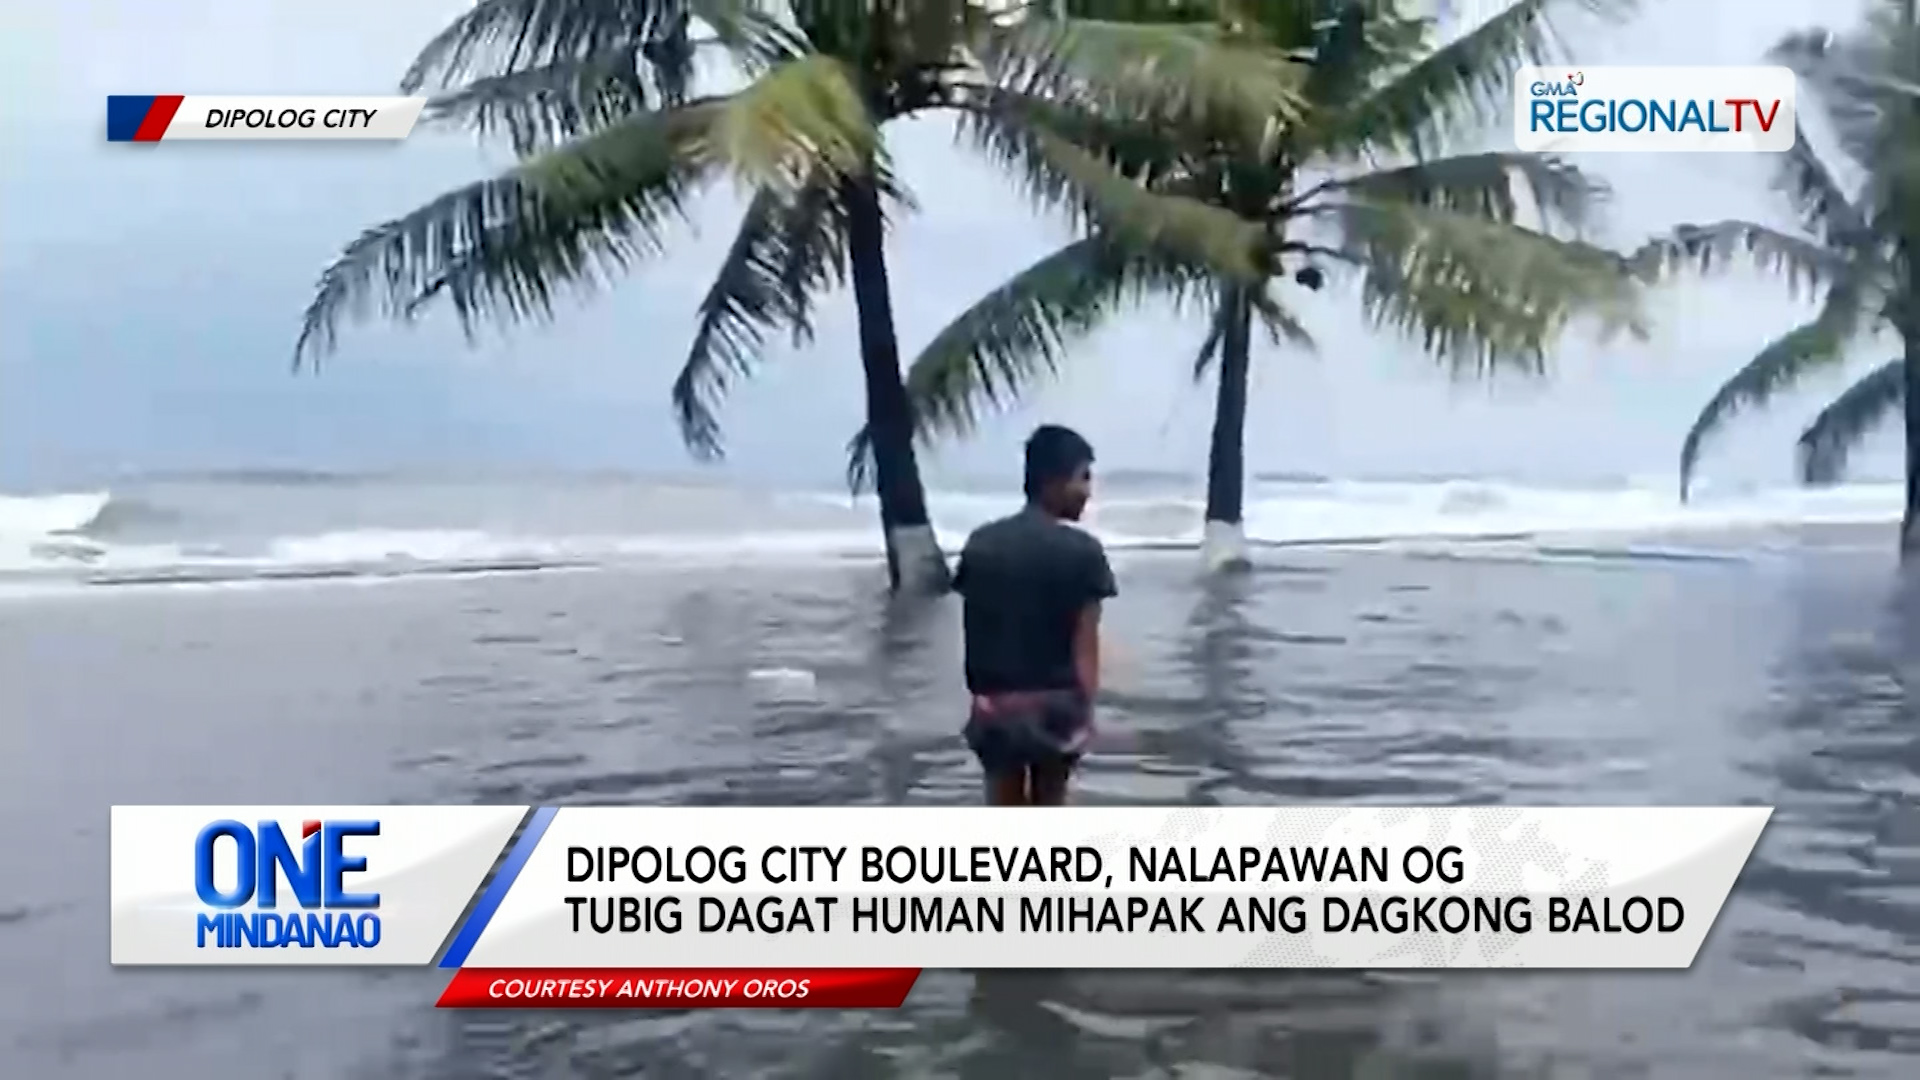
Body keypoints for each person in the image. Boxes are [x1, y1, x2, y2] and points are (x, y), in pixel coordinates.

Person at [951, 424, 1117, 806]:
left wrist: (984, 701)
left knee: (1003, 808)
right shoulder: (1083, 551)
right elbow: (1085, 646)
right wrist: (1087, 714)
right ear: (1053, 481)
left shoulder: (982, 542)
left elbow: (975, 632)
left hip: (996, 709)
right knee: (1050, 806)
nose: (1088, 491)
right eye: (1083, 477)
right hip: (1057, 709)